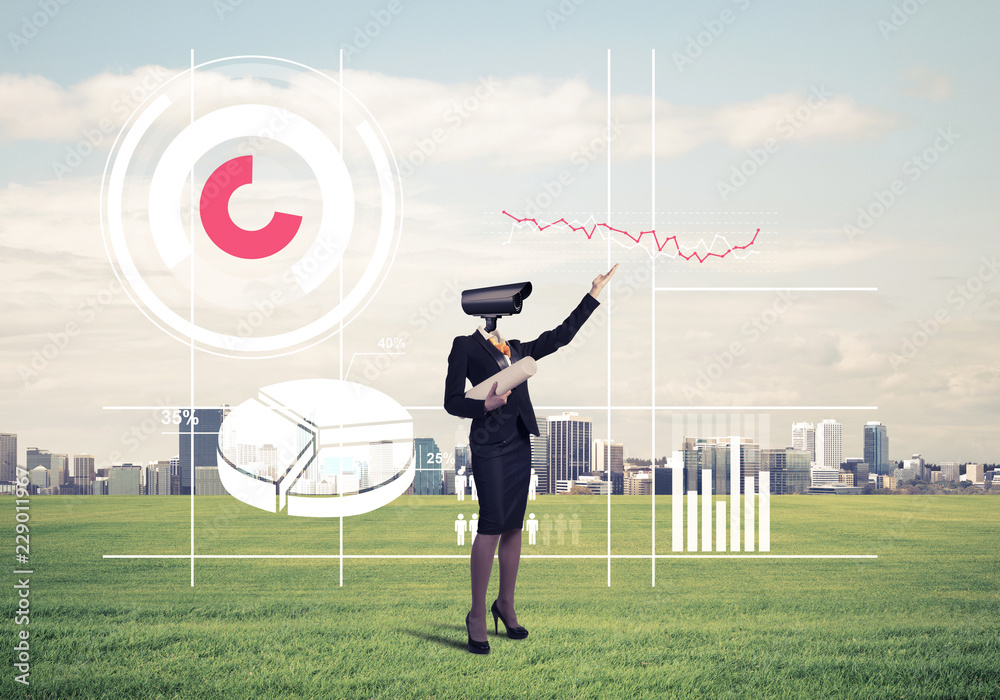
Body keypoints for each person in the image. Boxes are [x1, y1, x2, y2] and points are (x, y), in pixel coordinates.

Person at [444, 265, 618, 654]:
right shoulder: (464, 346)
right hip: (489, 447)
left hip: (520, 443)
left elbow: (561, 337)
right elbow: (451, 401)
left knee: (513, 526)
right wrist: (485, 405)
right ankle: (475, 615)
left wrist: (592, 294)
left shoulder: (518, 348)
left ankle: (505, 603)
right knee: (490, 526)